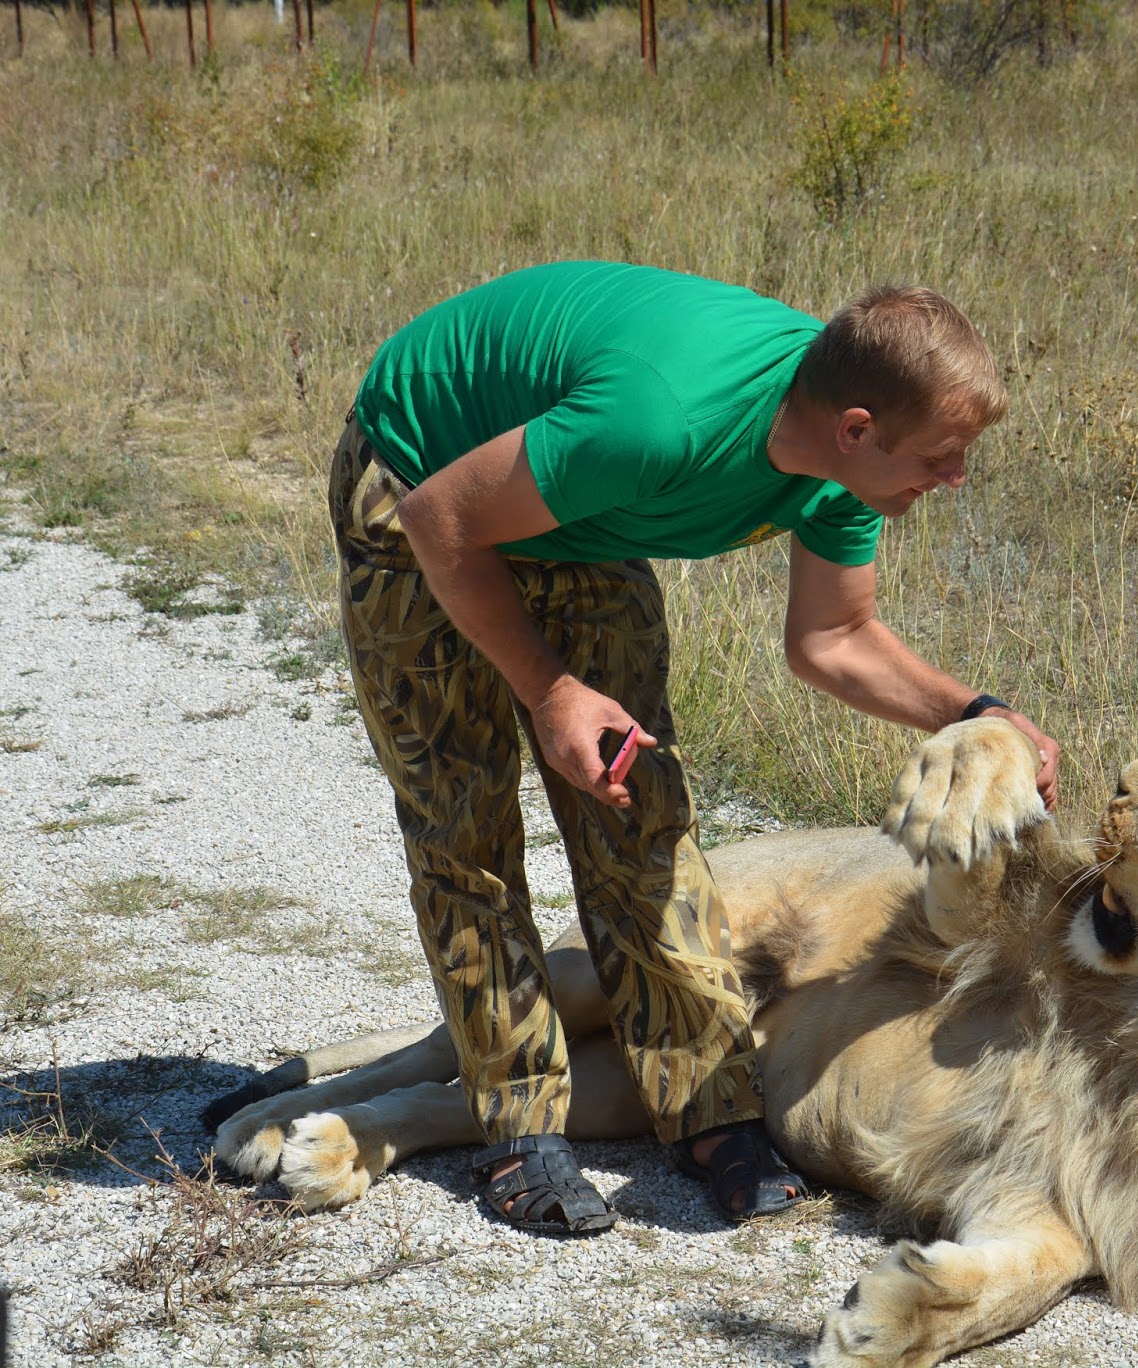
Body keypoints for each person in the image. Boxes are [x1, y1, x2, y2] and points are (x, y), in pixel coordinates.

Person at [328, 260, 1061, 1236]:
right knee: (466, 819)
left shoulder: (846, 461)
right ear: (856, 430)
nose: (955, 478)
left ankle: (707, 1107)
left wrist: (979, 712)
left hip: (568, 507)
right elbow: (444, 520)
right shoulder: (659, 423)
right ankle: (516, 1125)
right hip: (424, 478)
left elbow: (831, 640)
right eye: (941, 455)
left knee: (639, 804)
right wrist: (550, 693)